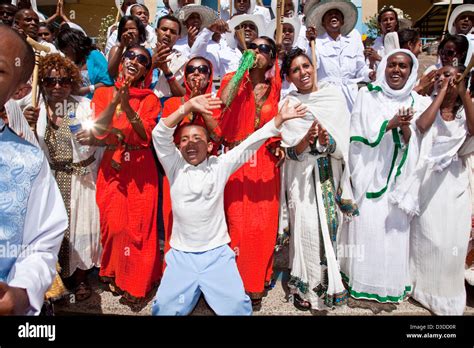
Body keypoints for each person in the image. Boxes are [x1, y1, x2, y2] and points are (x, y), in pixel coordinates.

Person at [151, 92, 306, 316]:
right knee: (164, 309)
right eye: (184, 139)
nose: (190, 143)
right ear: (178, 147)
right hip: (182, 256)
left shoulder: (219, 165)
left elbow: (251, 143)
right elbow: (159, 134)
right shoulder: (174, 165)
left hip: (217, 255)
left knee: (236, 308)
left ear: (210, 146)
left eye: (197, 138)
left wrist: (278, 120)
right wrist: (188, 107)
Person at [340, 49, 431, 310]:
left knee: (393, 234)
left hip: (399, 181)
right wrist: (388, 124)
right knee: (368, 229)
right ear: (384, 67)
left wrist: (403, 127)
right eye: (391, 65)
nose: (396, 70)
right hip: (370, 175)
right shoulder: (367, 95)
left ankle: (388, 285)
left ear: (411, 70)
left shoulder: (418, 101)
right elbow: (357, 133)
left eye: (403, 66)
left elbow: (419, 141)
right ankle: (362, 285)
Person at [278, 48, 357, 311]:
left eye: (306, 66)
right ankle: (306, 289)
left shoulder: (332, 98)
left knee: (330, 232)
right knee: (307, 231)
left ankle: (329, 287)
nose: (303, 73)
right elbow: (287, 151)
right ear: (288, 77)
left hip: (328, 175)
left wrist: (328, 142)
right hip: (301, 181)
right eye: (296, 70)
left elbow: (345, 144)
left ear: (314, 67)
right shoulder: (287, 105)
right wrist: (304, 142)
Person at [22, 53, 102, 301]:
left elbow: (98, 141)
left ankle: (79, 279)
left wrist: (92, 138)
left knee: (83, 228)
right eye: (50, 81)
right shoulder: (32, 106)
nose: (58, 87)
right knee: (51, 230)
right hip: (49, 180)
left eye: (65, 81)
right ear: (42, 82)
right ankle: (53, 279)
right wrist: (26, 124)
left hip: (81, 179)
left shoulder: (84, 106)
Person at [0, 24, 67, 316]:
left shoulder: (27, 162)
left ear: (20, 90)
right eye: (51, 81)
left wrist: (21, 291)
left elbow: (41, 242)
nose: (57, 86)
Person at [92, 45, 162, 304]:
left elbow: (144, 135)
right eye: (130, 56)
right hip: (113, 162)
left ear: (146, 70)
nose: (135, 60)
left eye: (142, 59)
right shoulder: (102, 93)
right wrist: (115, 100)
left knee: (139, 229)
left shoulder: (150, 99)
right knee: (114, 225)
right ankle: (113, 272)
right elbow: (99, 132)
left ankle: (136, 283)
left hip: (141, 166)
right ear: (121, 62)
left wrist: (127, 105)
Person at [218, 36, 284, 307]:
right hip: (236, 159)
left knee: (262, 224)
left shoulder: (275, 88)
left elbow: (279, 124)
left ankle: (256, 281)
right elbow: (224, 101)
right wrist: (244, 69)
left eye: (265, 49)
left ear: (272, 58)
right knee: (236, 223)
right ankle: (233, 282)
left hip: (265, 163)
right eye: (253, 47)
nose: (258, 51)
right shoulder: (233, 79)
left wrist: (278, 145)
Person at [403, 65, 474, 315]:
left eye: (453, 75)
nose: (447, 79)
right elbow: (422, 126)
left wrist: (464, 94)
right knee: (427, 237)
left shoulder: (466, 110)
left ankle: (448, 296)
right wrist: (442, 94)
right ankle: (422, 288)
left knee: (451, 240)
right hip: (428, 181)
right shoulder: (425, 103)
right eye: (442, 74)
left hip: (454, 181)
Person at [305, 0, 373, 112]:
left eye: (337, 14)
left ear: (342, 21)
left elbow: (360, 68)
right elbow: (312, 65)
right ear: (322, 22)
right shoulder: (316, 43)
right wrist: (310, 42)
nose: (333, 16)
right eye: (329, 14)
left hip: (351, 96)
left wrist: (370, 74)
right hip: (327, 96)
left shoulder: (353, 42)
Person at [56, 28, 114, 99]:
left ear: (73, 45)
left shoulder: (94, 55)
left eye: (64, 47)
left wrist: (87, 90)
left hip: (97, 102)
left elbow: (108, 82)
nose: (63, 51)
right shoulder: (71, 61)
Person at [152, 14, 187, 100]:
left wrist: (167, 72)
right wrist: (152, 64)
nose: (167, 34)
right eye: (164, 29)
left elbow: (183, 95)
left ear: (178, 37)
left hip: (167, 109)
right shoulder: (142, 54)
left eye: (173, 32)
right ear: (156, 31)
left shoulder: (183, 61)